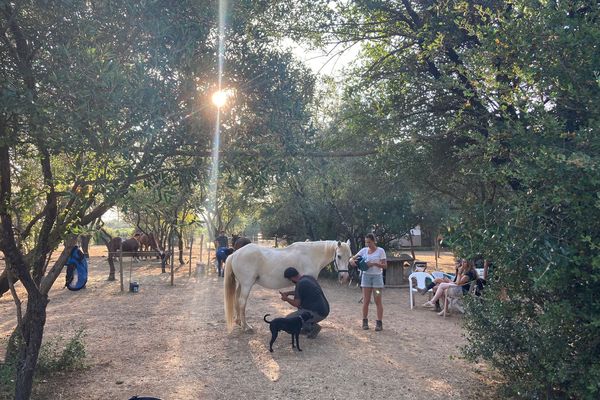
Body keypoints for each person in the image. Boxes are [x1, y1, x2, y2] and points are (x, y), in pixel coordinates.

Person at [350, 233, 387, 331]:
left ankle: (379, 323)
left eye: (369, 242)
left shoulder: (380, 251)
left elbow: (385, 266)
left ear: (374, 241)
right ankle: (364, 321)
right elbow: (353, 258)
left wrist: (374, 264)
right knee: (366, 300)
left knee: (377, 300)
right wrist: (351, 261)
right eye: (366, 242)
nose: (367, 244)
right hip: (366, 277)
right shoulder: (364, 250)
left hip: (377, 279)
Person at [279, 267, 330, 339]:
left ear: (292, 278)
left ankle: (312, 328)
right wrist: (289, 293)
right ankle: (307, 328)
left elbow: (296, 303)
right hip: (324, 310)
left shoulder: (300, 284)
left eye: (290, 280)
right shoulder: (308, 278)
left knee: (288, 321)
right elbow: (301, 292)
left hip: (317, 313)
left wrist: (286, 299)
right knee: (300, 312)